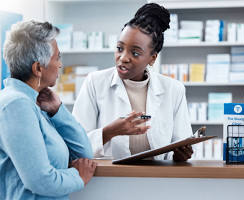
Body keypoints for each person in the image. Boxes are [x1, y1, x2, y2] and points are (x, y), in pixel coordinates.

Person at [73, 3, 193, 161]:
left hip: (158, 181)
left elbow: (181, 143)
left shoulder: (173, 89)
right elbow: (75, 144)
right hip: (108, 179)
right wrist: (109, 132)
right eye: (119, 48)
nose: (123, 58)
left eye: (135, 53)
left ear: (152, 58)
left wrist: (181, 154)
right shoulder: (95, 83)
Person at [0, 20, 96, 200]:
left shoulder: (36, 103)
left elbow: (84, 155)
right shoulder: (15, 105)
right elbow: (40, 180)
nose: (60, 65)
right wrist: (78, 177)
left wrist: (58, 111)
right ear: (38, 68)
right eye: (58, 57)